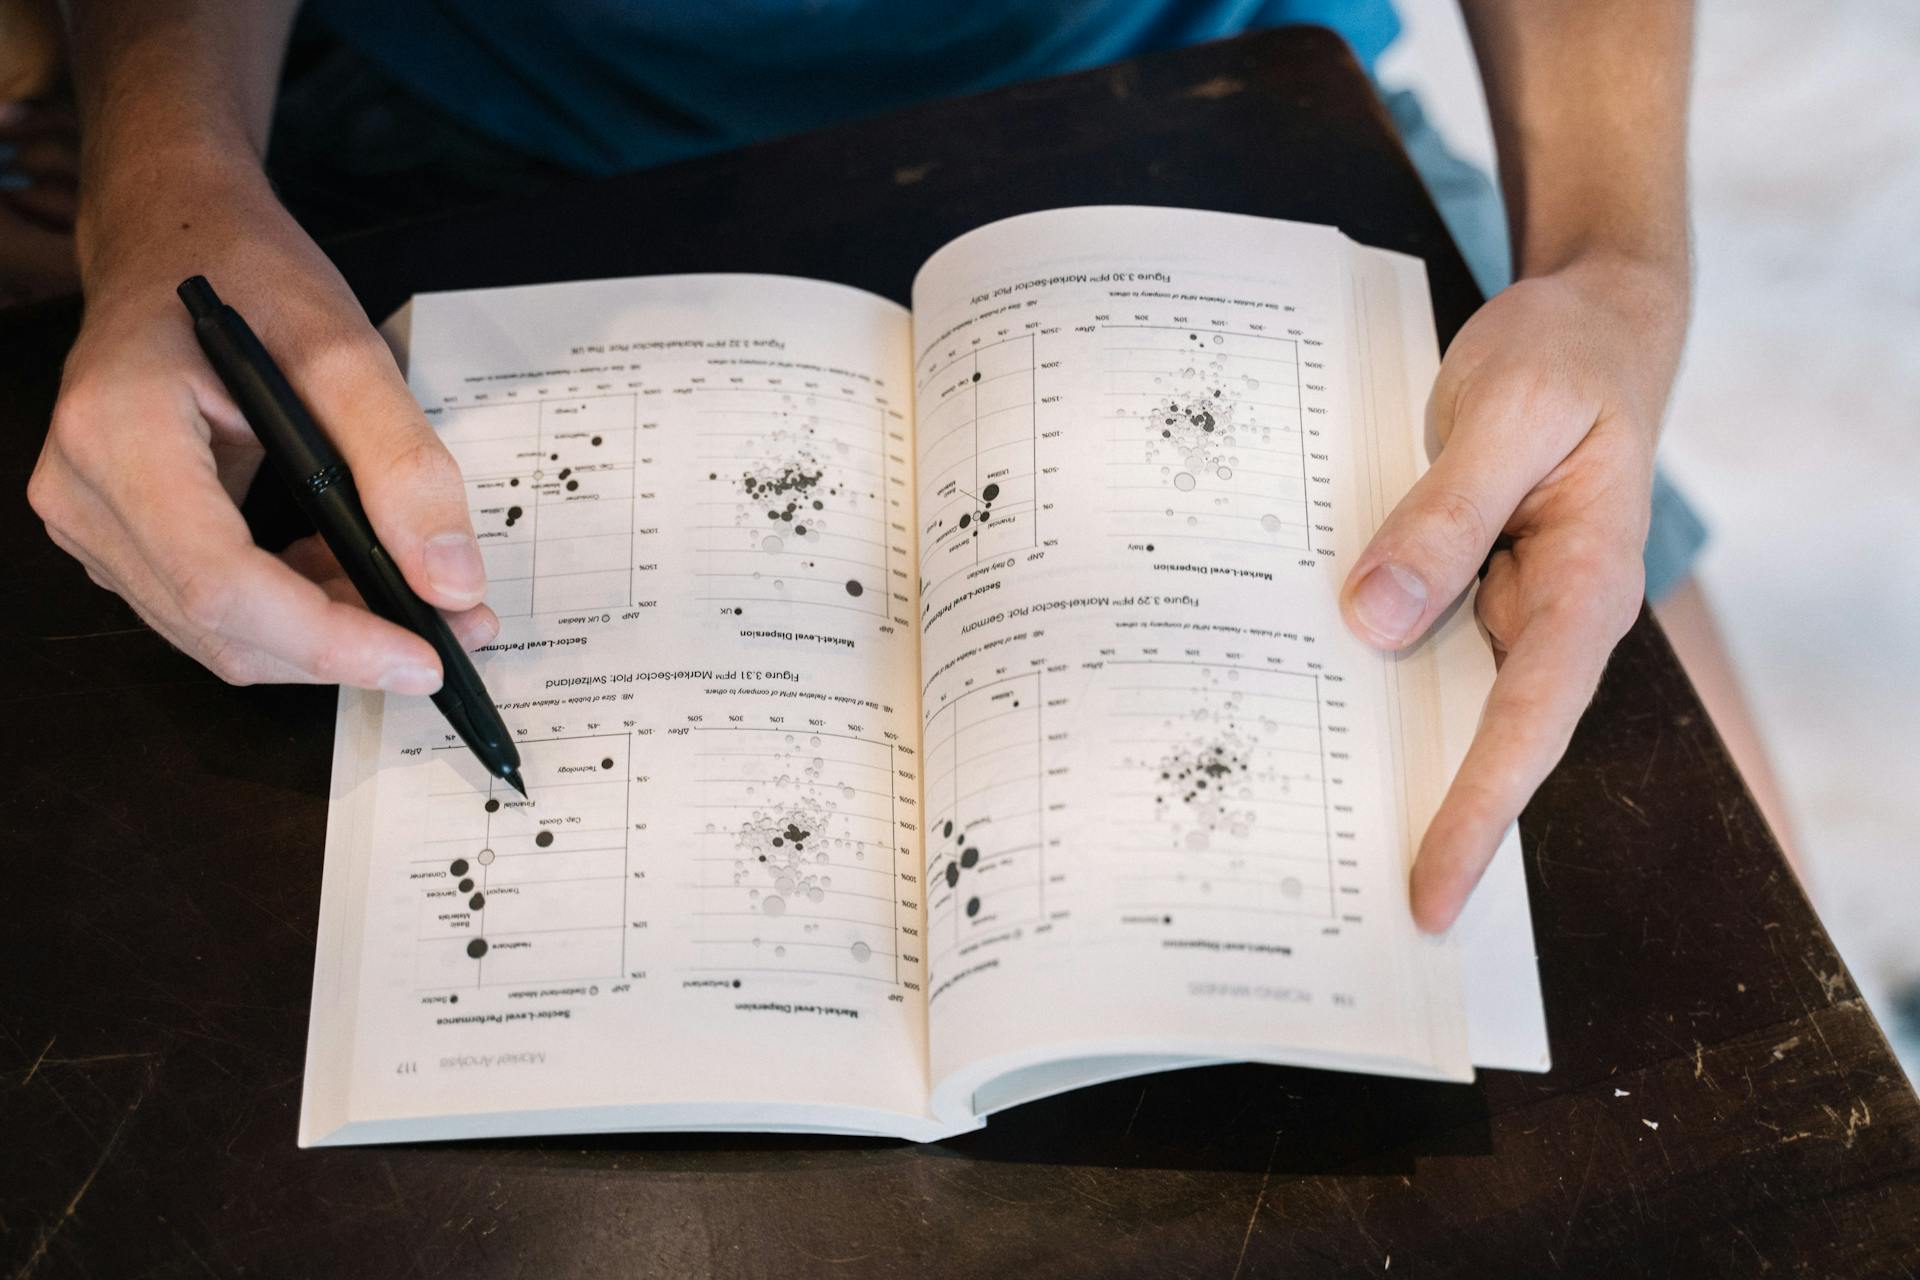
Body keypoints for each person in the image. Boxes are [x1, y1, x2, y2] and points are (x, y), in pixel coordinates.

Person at [21, 0, 1715, 934]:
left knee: (1689, 863)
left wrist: (1618, 267)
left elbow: (1601, 282)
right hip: (419, 117)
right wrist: (162, 181)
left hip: (1227, 84)